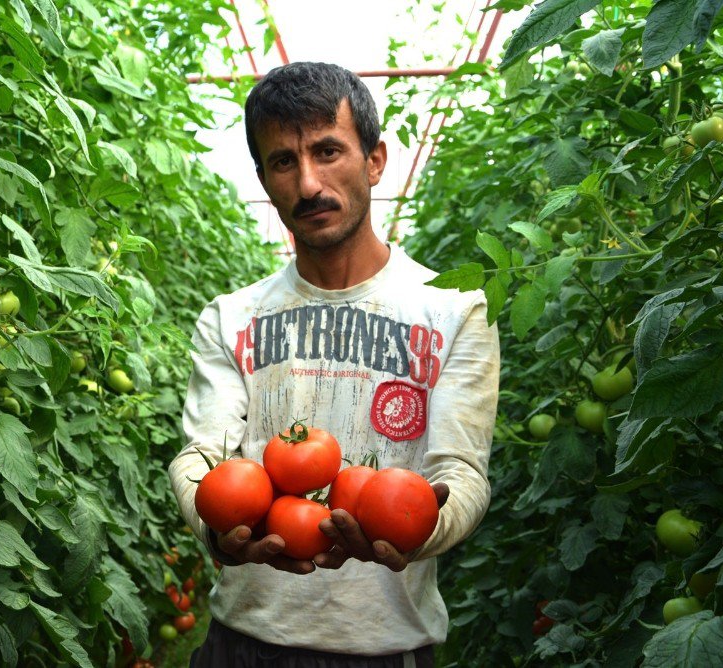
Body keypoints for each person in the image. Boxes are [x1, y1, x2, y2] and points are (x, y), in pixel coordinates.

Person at [168, 61, 499, 667]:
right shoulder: (231, 316)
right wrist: (219, 528)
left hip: (383, 646)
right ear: (265, 179)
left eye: (328, 151)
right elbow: (201, 455)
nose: (309, 184)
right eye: (283, 162)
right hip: (242, 642)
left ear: (375, 160)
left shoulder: (455, 310)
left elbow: (463, 473)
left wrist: (416, 529)